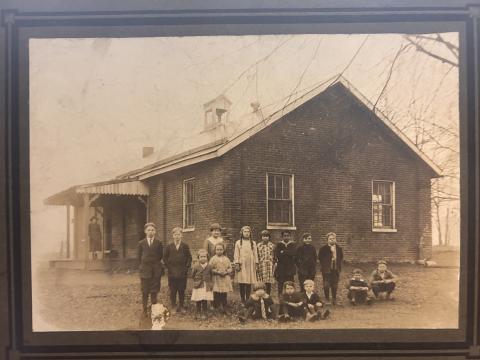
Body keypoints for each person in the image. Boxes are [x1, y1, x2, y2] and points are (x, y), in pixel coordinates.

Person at [163, 227, 192, 314]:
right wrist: (169, 267)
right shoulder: (169, 246)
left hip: (182, 273)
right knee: (173, 290)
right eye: (175, 235)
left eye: (179, 234)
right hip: (172, 273)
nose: (177, 236)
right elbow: (165, 258)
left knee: (181, 289)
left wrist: (186, 268)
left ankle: (182, 306)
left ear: (181, 236)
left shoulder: (185, 246)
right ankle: (173, 306)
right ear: (173, 236)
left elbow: (189, 258)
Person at [137, 222, 164, 316]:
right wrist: (141, 267)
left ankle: (153, 309)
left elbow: (160, 255)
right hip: (145, 270)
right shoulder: (141, 243)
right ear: (145, 231)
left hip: (156, 270)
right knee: (145, 291)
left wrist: (156, 265)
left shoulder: (158, 243)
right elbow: (138, 257)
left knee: (154, 290)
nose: (150, 232)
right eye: (149, 230)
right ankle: (144, 310)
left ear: (155, 231)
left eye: (152, 230)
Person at [234, 226, 259, 304]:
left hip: (250, 264)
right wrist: (237, 263)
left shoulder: (253, 243)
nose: (246, 233)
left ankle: (248, 298)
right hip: (242, 264)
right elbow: (236, 254)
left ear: (250, 233)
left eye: (248, 232)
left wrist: (256, 263)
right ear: (242, 233)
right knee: (242, 281)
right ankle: (242, 299)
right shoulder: (238, 242)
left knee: (248, 281)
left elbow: (255, 254)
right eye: (245, 231)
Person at [318, 232, 344, 305]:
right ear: (327, 240)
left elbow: (341, 257)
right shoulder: (323, 248)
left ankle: (334, 299)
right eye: (330, 239)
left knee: (335, 284)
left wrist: (336, 262)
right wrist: (327, 262)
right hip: (327, 270)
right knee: (326, 285)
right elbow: (320, 258)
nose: (332, 240)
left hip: (335, 269)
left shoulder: (339, 248)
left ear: (335, 239)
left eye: (333, 239)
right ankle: (327, 299)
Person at [209, 243, 233, 313]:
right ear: (215, 250)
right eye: (217, 249)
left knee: (224, 293)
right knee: (216, 292)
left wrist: (226, 272)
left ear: (223, 250)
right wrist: (217, 272)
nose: (219, 251)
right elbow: (210, 269)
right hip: (216, 278)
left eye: (221, 249)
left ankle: (224, 305)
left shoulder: (226, 259)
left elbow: (230, 268)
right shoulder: (213, 259)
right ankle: (216, 305)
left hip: (225, 278)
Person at [191, 249, 214, 320]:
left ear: (207, 258)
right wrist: (196, 280)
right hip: (198, 285)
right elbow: (193, 274)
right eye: (201, 257)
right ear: (198, 258)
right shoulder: (196, 266)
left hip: (206, 285)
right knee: (198, 298)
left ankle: (204, 312)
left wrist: (210, 283)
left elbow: (211, 275)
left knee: (204, 298)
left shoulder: (209, 266)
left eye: (204, 256)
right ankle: (198, 312)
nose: (203, 258)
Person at [274, 230, 297, 295]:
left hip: (290, 266)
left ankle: (291, 295)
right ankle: (280, 296)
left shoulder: (293, 244)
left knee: (290, 282)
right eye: (284, 236)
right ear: (282, 237)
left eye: (288, 236)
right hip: (281, 267)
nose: (286, 237)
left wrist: (283, 251)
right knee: (281, 282)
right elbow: (278, 255)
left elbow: (294, 253)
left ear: (290, 236)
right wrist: (288, 252)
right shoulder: (279, 244)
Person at [256, 230, 276, 295]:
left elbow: (274, 255)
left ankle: (267, 295)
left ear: (269, 237)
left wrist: (274, 263)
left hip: (269, 265)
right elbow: (257, 255)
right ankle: (261, 294)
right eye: (263, 236)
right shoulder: (258, 245)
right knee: (261, 281)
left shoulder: (272, 245)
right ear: (261, 237)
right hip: (261, 265)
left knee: (268, 281)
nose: (265, 238)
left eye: (267, 236)